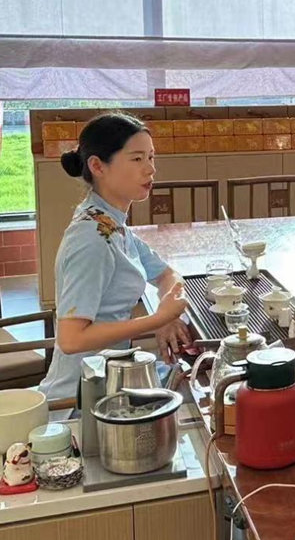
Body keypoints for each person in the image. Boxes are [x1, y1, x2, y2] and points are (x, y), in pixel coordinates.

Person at [39, 113, 193, 403]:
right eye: (137, 159)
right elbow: (71, 339)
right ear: (97, 166)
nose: (150, 169)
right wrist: (157, 319)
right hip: (79, 397)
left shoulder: (109, 222)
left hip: (112, 378)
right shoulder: (92, 237)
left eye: (151, 157)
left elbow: (167, 275)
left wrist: (167, 316)